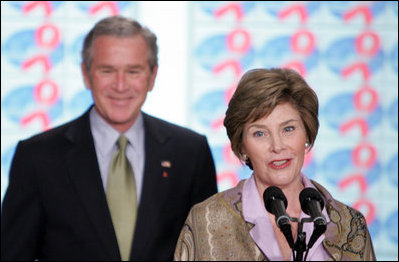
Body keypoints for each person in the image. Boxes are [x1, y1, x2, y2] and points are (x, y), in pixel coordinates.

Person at [1, 15, 217, 261]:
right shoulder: (38, 156)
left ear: (152, 76)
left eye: (133, 71)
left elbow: (206, 252)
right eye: (107, 70)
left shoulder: (190, 152)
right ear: (86, 73)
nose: (121, 85)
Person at [174, 68, 376, 261]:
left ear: (306, 132)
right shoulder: (207, 221)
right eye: (260, 133)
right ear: (242, 146)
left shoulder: (350, 226)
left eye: (288, 129)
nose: (277, 146)